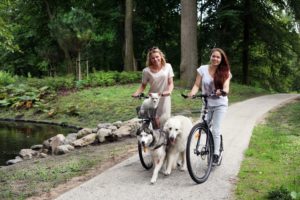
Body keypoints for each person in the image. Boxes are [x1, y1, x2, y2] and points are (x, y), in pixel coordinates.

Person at [188, 48, 231, 165]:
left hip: (220, 104)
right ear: (210, 56)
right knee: (204, 126)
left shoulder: (225, 71)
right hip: (207, 103)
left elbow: (226, 87)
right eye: (214, 56)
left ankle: (216, 154)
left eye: (218, 57)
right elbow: (197, 84)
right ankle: (211, 143)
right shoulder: (202, 69)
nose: (215, 59)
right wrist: (192, 93)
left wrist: (222, 91)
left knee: (215, 129)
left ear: (221, 60)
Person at [132, 47, 174, 129]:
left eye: (157, 57)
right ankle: (155, 139)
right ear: (150, 59)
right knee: (154, 121)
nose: (155, 59)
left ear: (161, 56)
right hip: (153, 98)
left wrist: (169, 91)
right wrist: (136, 93)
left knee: (165, 120)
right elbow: (143, 86)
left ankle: (165, 139)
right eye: (153, 58)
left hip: (165, 97)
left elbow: (171, 83)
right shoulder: (146, 71)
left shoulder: (168, 66)